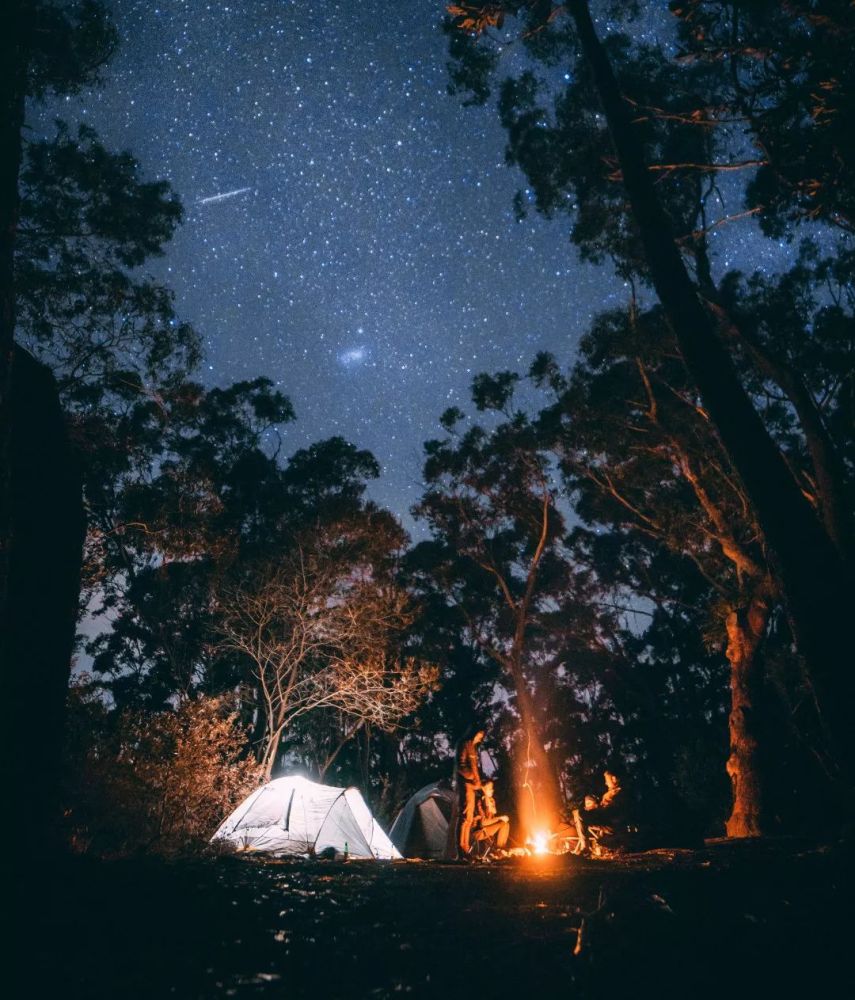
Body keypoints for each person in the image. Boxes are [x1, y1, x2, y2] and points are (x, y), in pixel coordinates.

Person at [573, 769, 626, 854]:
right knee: (578, 812)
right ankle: (588, 846)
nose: (606, 783)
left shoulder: (619, 793)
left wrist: (595, 808)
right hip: (606, 821)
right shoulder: (611, 793)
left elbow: (612, 811)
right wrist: (593, 807)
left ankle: (585, 847)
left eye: (607, 780)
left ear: (614, 779)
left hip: (611, 824)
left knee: (579, 813)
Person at [454, 724, 485, 857]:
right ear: (474, 733)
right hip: (466, 785)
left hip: (472, 786)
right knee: (465, 817)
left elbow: (474, 767)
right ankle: (461, 850)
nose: (481, 738)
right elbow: (461, 766)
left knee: (470, 818)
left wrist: (478, 781)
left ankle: (466, 850)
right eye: (480, 735)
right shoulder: (464, 744)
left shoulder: (473, 748)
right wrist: (472, 778)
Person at [472, 780, 511, 854]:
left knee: (505, 824)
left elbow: (492, 818)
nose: (492, 790)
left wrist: (498, 817)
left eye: (492, 788)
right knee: (504, 824)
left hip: (488, 829)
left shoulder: (491, 801)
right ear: (483, 789)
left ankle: (500, 849)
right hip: (479, 831)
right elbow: (483, 823)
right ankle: (500, 850)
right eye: (490, 789)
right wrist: (499, 818)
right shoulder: (480, 802)